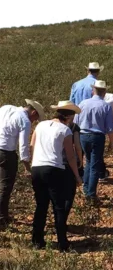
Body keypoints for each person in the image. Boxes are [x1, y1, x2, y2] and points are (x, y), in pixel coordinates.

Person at [30, 101, 82, 251]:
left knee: (41, 205)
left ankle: (37, 240)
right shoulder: (65, 130)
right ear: (69, 116)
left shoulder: (40, 125)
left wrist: (33, 163)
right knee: (58, 207)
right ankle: (62, 243)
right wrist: (77, 176)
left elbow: (32, 145)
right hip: (54, 168)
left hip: (37, 167)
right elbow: (71, 157)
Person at [0, 99, 44, 227]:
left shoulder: (6, 108)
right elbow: (23, 146)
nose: (34, 121)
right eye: (36, 118)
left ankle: (4, 215)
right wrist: (27, 167)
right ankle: (2, 218)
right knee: (5, 186)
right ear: (34, 112)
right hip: (6, 152)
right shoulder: (24, 121)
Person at [74, 80, 113, 203]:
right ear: (105, 92)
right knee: (94, 165)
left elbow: (76, 122)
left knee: (88, 161)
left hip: (83, 135)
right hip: (97, 136)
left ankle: (87, 189)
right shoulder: (106, 106)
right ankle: (91, 194)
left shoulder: (83, 103)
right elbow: (110, 128)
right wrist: (111, 141)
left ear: (93, 90)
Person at [50, 101, 83, 233]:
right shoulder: (73, 127)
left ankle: (58, 220)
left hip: (54, 162)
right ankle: (62, 222)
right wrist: (80, 160)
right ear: (70, 115)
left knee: (57, 194)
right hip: (68, 163)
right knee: (69, 194)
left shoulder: (50, 124)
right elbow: (77, 146)